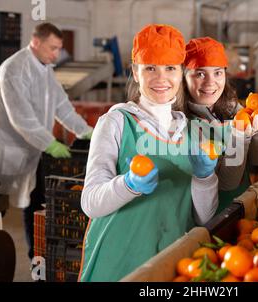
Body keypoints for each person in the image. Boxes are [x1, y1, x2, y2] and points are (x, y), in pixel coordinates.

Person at [78, 24, 219, 282]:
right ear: (135, 72)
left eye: (170, 68)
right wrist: (129, 185)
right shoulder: (117, 122)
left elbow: (204, 217)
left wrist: (205, 178)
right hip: (119, 258)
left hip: (170, 260)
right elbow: (90, 203)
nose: (161, 78)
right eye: (150, 68)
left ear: (181, 73)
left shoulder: (191, 132)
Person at [0, 23, 93, 260]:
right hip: (5, 150)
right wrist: (50, 144)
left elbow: (63, 108)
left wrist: (85, 131)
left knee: (36, 204)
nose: (56, 55)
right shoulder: (14, 70)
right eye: (52, 48)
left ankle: (36, 259)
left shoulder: (45, 70)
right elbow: (22, 118)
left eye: (59, 49)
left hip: (32, 150)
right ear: (36, 42)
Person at [183, 37, 258, 213]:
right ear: (184, 77)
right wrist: (241, 137)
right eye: (200, 73)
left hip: (242, 208)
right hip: (210, 221)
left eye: (217, 73)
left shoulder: (232, 108)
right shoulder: (182, 123)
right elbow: (226, 183)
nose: (210, 82)